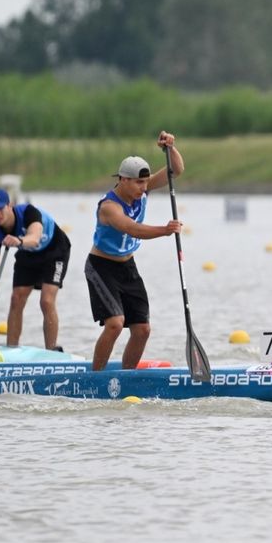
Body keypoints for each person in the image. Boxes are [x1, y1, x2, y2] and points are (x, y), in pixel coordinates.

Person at [85, 132, 184, 371]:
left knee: (142, 330)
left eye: (146, 182)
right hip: (102, 267)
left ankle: (126, 378)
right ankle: (96, 377)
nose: (144, 187)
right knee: (115, 324)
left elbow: (176, 171)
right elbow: (132, 229)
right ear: (123, 180)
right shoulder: (109, 207)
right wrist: (165, 230)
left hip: (128, 267)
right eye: (139, 183)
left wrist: (170, 148)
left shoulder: (142, 190)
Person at [0, 188, 72, 350]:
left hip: (55, 251)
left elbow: (34, 238)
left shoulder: (29, 212)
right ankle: (11, 351)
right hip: (28, 255)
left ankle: (51, 350)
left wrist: (19, 241)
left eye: (0, 208)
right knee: (16, 298)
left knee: (46, 301)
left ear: (10, 205)